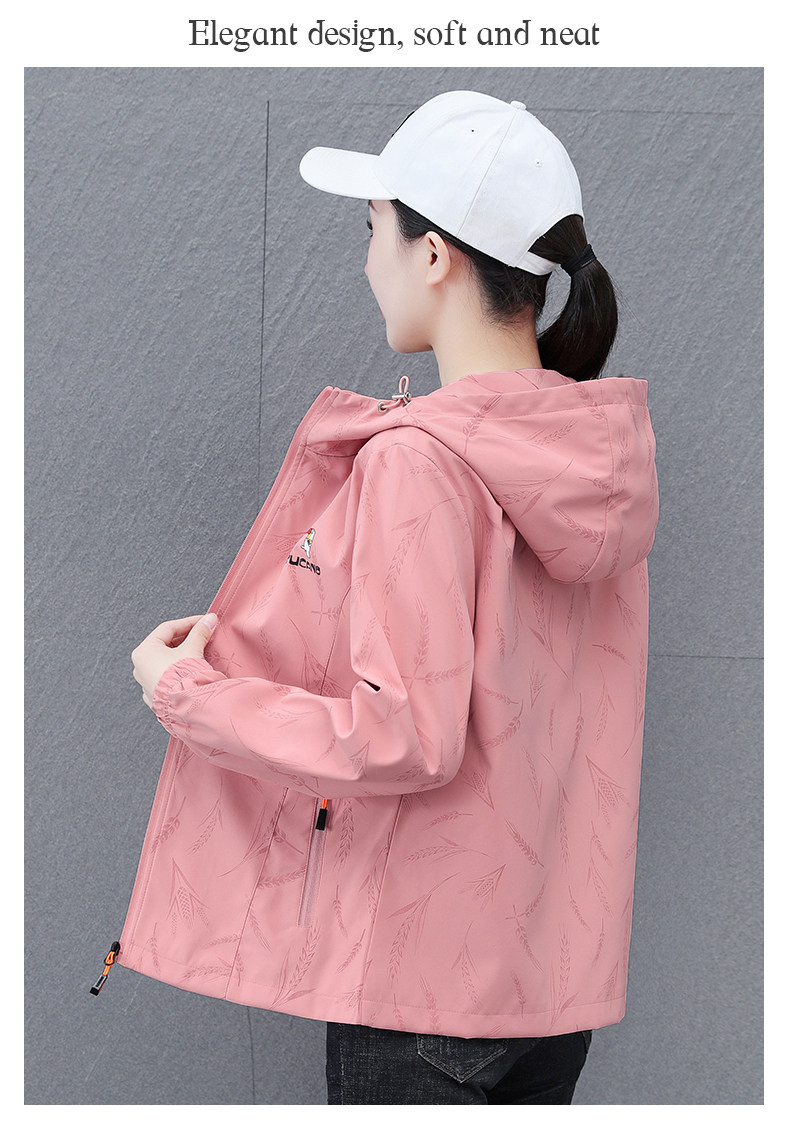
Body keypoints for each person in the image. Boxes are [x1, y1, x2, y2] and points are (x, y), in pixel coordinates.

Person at [105, 91, 658, 1105]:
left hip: (420, 1002)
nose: (367, 262)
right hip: (548, 999)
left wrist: (186, 693)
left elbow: (401, 736)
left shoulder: (422, 461)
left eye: (373, 229)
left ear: (434, 254)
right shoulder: (590, 459)